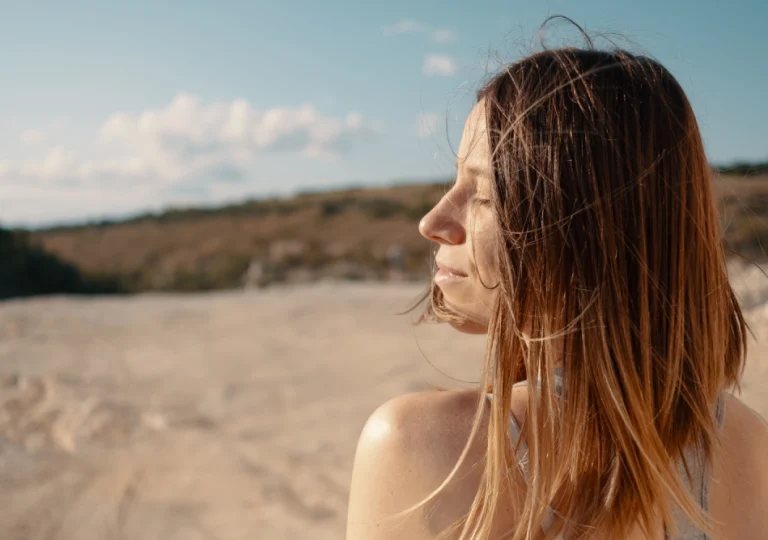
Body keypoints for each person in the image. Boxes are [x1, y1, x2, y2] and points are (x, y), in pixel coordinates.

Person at [346, 44, 768, 540]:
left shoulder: (424, 445)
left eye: (484, 194)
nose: (432, 222)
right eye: (454, 184)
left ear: (588, 234)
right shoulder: (746, 445)